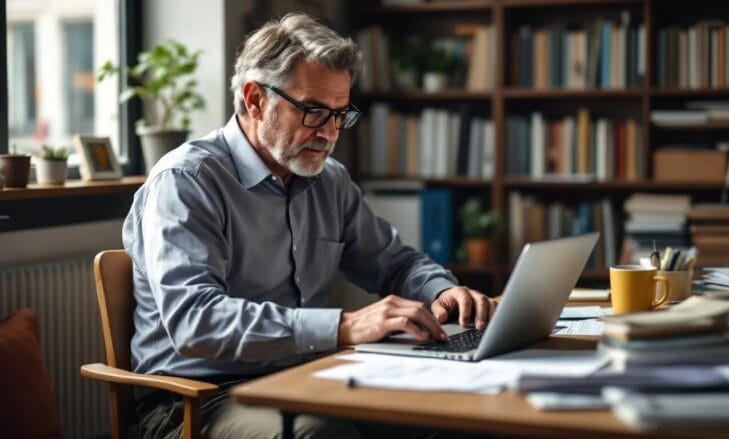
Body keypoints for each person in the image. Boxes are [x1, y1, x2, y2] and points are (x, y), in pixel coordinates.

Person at [123, 12, 496, 439]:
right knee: (321, 435)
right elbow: (196, 321)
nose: (330, 132)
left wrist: (443, 291)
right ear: (254, 99)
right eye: (314, 111)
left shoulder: (329, 179)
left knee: (457, 413)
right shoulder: (187, 180)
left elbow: (393, 262)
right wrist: (344, 327)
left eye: (341, 114)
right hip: (198, 399)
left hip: (311, 378)